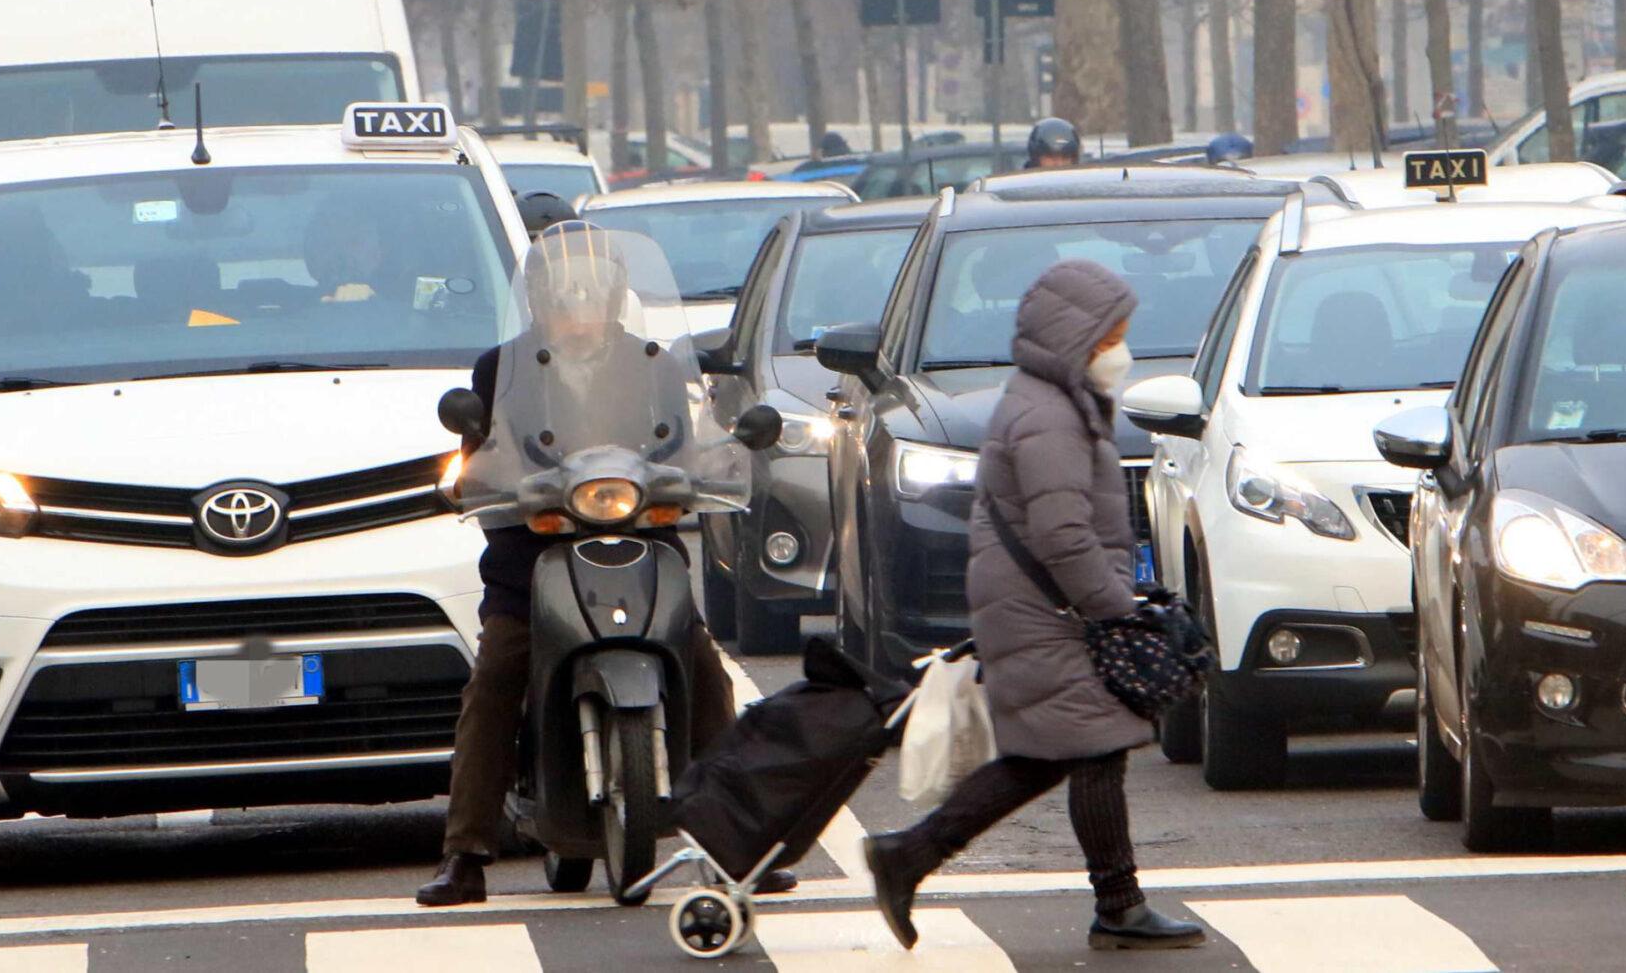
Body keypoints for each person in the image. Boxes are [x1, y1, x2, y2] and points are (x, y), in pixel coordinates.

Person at [415, 223, 795, 906]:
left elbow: (688, 438)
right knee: (498, 673)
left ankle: (741, 838)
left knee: (703, 668)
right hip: (534, 553)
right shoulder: (499, 367)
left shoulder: (653, 362)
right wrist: (482, 477)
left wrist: (713, 459)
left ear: (616, 294)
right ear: (537, 298)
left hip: (642, 543)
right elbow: (483, 450)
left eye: (591, 292)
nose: (578, 307)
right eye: (564, 294)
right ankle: (464, 853)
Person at [862, 259, 1205, 952]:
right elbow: (1061, 533)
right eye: (1113, 337)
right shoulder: (1048, 415)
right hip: (1044, 609)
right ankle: (1111, 900)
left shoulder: (1054, 401)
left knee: (1066, 748)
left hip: (1042, 606)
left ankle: (1109, 898)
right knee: (1086, 743)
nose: (1122, 352)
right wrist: (1116, 604)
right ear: (1078, 338)